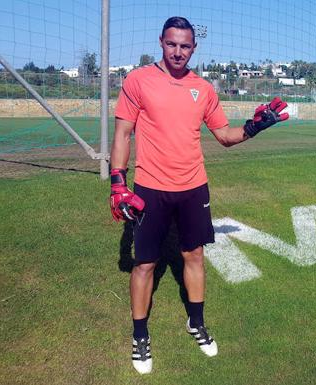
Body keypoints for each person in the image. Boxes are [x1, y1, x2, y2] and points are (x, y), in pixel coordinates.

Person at [109, 16, 289, 374]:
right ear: (161, 42)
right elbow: (123, 133)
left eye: (185, 46)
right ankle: (140, 336)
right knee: (145, 264)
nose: (178, 52)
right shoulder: (138, 80)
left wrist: (256, 126)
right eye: (172, 44)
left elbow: (224, 135)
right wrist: (118, 183)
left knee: (194, 257)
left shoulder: (203, 89)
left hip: (193, 187)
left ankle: (196, 322)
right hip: (150, 188)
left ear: (194, 48)